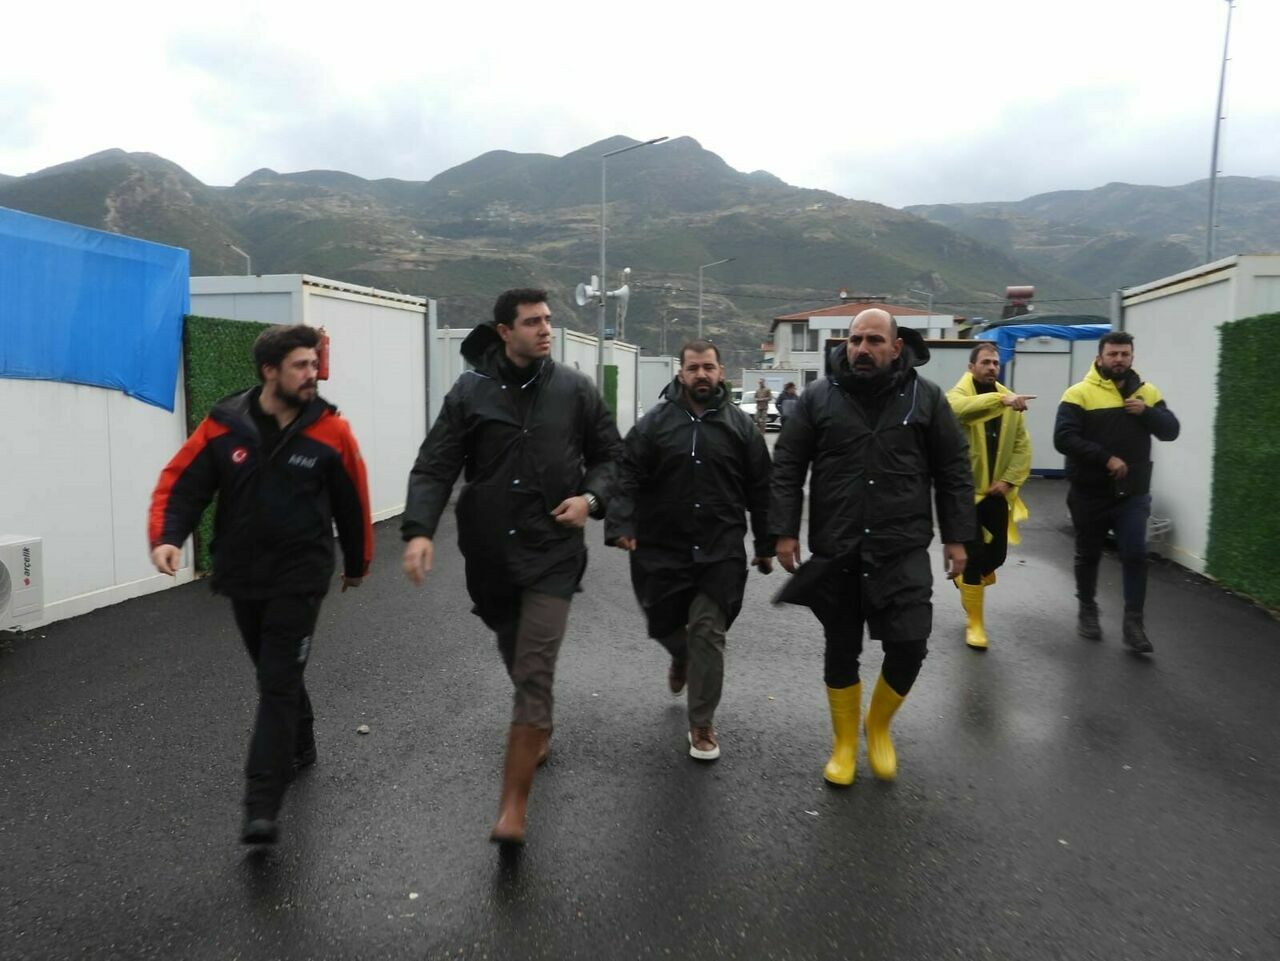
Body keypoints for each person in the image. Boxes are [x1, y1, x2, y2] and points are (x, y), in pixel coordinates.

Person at [400, 288, 622, 846]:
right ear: (504, 331)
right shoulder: (471, 392)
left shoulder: (574, 389)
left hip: (553, 549)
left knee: (534, 666)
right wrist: (420, 531)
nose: (545, 330)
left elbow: (611, 456)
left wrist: (591, 501)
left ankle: (512, 807)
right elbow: (435, 466)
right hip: (491, 553)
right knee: (512, 646)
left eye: (548, 320)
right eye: (532, 322)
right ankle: (538, 717)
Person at [148, 324, 372, 845]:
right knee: (275, 671)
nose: (312, 374)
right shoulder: (224, 426)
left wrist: (357, 562)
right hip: (243, 574)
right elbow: (182, 483)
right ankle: (302, 738)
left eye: (314, 365)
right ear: (269, 371)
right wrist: (167, 536)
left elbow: (353, 501)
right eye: (300, 365)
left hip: (300, 575)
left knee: (274, 683)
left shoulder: (330, 431)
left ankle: (261, 805)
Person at [771, 308, 973, 786]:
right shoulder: (819, 397)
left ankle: (878, 725)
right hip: (836, 548)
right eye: (855, 340)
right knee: (841, 649)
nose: (862, 349)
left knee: (910, 646)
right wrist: (782, 530)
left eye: (873, 341)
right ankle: (843, 745)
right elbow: (787, 464)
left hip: (901, 548)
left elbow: (954, 471)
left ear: (896, 346)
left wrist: (959, 537)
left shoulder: (926, 399)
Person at [606, 340, 774, 761]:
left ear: (721, 372)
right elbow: (627, 474)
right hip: (661, 548)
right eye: (694, 367)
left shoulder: (741, 428)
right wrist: (622, 522)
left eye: (709, 367)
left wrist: (767, 542)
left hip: (719, 550)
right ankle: (679, 656)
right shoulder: (653, 425)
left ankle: (701, 723)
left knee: (707, 633)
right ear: (681, 373)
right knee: (663, 624)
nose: (702, 374)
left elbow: (761, 489)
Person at [1054, 331, 1179, 653]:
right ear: (1100, 358)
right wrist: (1105, 458)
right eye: (1113, 354)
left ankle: (1133, 624)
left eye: (1124, 354)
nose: (1119, 359)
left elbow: (1171, 431)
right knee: (1088, 555)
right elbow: (1063, 439)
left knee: (1136, 554)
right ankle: (1087, 610)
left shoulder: (1147, 393)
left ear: (1132, 357)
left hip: (1133, 494)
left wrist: (1147, 412)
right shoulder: (1078, 394)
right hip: (1089, 491)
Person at [945, 343, 1033, 650]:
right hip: (963, 494)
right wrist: (1002, 400)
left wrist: (1009, 480)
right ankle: (975, 624)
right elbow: (963, 411)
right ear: (971, 367)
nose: (992, 367)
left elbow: (1022, 445)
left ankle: (965, 582)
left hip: (996, 493)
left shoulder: (1010, 400)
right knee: (973, 556)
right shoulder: (956, 396)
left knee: (996, 556)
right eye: (985, 362)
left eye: (996, 362)